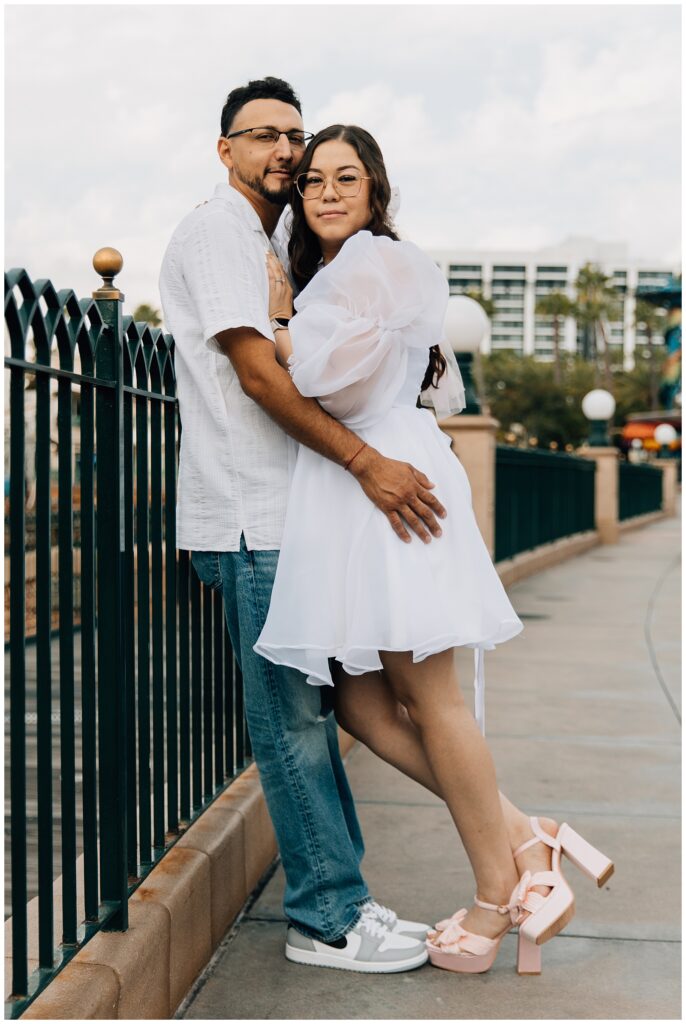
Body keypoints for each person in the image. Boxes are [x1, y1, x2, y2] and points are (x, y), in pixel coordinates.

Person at [255, 124, 615, 975]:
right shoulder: (346, 271)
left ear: (377, 190)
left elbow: (320, 383)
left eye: (348, 178)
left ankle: (500, 893)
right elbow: (434, 379)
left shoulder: (378, 259)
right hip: (361, 489)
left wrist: (279, 321)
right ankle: (530, 841)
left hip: (388, 489)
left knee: (428, 693)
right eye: (313, 181)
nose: (329, 192)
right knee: (364, 705)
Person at [159, 77, 451, 974]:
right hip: (248, 519)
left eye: (295, 134)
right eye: (264, 137)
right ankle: (326, 919)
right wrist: (367, 463)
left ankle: (347, 898)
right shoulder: (218, 232)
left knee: (317, 717)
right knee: (290, 722)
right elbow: (257, 374)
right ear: (226, 150)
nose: (285, 152)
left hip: (281, 522)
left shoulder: (267, 237)